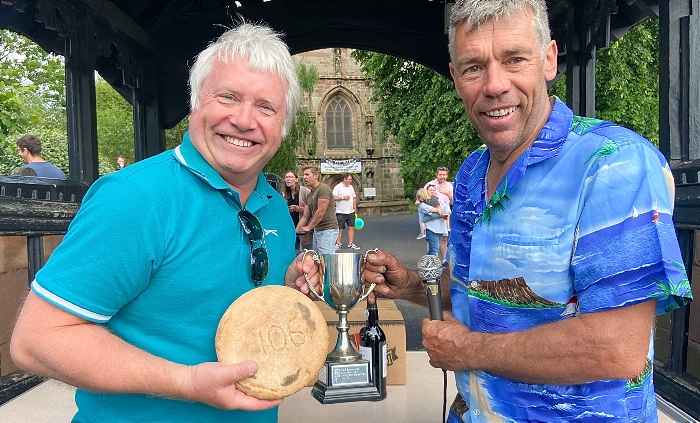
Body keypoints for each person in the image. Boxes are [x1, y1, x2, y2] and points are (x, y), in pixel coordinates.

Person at [362, 1, 693, 422]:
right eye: (473, 67)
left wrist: (466, 350)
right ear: (455, 77)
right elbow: (476, 286)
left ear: (549, 59)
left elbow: (616, 347)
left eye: (514, 59)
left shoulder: (614, 163)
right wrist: (409, 285)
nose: (495, 85)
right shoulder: (471, 173)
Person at [11, 23, 325, 423]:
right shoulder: (133, 199)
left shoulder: (274, 204)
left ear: (282, 125)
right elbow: (37, 341)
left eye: (266, 107)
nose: (245, 120)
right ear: (196, 105)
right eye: (227, 97)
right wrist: (186, 382)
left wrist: (287, 284)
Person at [297, 166, 339, 255]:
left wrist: (309, 227)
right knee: (318, 261)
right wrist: (295, 232)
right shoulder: (310, 194)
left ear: (316, 175)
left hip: (327, 230)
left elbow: (321, 211)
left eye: (307, 174)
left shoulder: (323, 189)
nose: (304, 177)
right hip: (318, 230)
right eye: (304, 175)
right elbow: (305, 216)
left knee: (326, 261)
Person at [424, 166, 453, 261]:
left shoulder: (449, 185)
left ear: (447, 175)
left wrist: (447, 193)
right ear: (436, 175)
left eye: (444, 175)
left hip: (445, 214)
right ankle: (431, 260)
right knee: (431, 238)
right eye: (440, 174)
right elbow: (423, 198)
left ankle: (445, 260)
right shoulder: (430, 184)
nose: (442, 176)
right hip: (433, 213)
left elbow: (454, 199)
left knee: (444, 237)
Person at [416, 186, 449, 260]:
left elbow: (448, 210)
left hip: (441, 227)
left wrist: (442, 212)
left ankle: (425, 263)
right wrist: (439, 211)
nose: (432, 191)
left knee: (433, 250)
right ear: (427, 191)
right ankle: (434, 268)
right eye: (430, 190)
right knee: (434, 250)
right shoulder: (422, 204)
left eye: (433, 190)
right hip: (431, 229)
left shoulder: (438, 200)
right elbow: (428, 209)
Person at [283, 170, 309, 251]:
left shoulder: (305, 192)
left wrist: (297, 208)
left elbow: (311, 211)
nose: (288, 179)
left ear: (296, 179)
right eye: (286, 177)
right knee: (293, 252)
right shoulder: (285, 194)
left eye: (290, 177)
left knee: (305, 252)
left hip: (302, 228)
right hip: (291, 228)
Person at [333, 172, 360, 250]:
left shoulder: (351, 187)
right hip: (340, 212)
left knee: (351, 227)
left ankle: (350, 244)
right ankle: (338, 244)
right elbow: (333, 197)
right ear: (344, 179)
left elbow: (354, 198)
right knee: (339, 228)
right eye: (349, 179)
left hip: (350, 212)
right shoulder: (338, 187)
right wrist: (343, 197)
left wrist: (355, 209)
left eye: (351, 179)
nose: (350, 181)